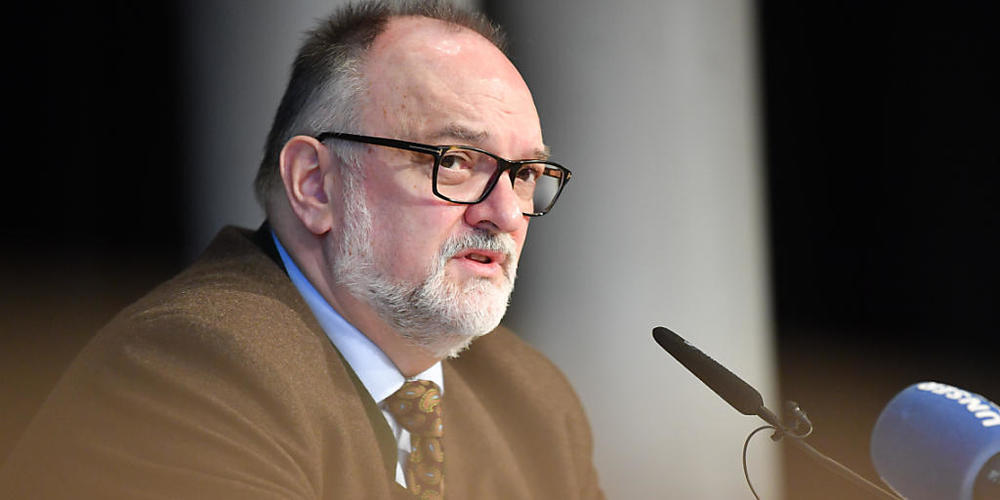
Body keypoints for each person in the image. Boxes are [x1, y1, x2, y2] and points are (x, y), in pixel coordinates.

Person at [0, 1, 603, 498]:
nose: (503, 213)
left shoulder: (532, 401)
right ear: (316, 185)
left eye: (525, 174)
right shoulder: (193, 368)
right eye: (453, 161)